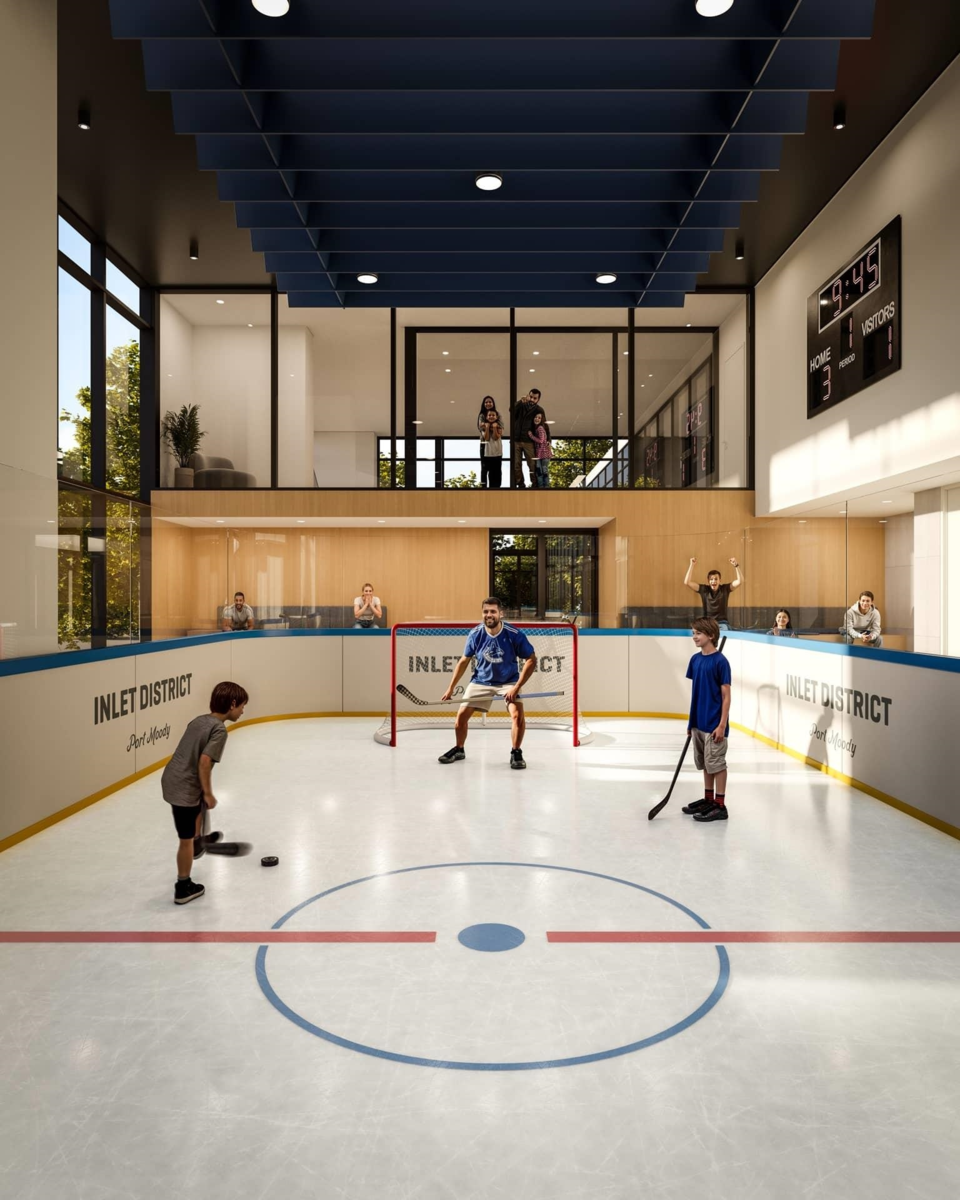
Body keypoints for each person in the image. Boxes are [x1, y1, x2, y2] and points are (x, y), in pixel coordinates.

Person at [161, 680, 249, 905]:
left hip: (172, 778)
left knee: (196, 808)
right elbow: (204, 762)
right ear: (232, 704)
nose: (242, 712)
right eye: (241, 707)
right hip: (183, 786)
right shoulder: (219, 730)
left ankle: (198, 840)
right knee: (185, 840)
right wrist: (208, 793)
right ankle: (183, 886)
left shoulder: (199, 720)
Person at [437, 597, 537, 770]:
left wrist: (516, 687)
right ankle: (459, 749)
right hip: (481, 681)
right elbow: (464, 661)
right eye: (485, 611)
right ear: (482, 613)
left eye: (492, 611)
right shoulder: (475, 634)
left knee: (517, 716)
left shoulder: (514, 634)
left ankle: (516, 752)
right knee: (460, 718)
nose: (489, 615)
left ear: (500, 613)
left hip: (508, 682)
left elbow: (531, 659)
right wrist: (450, 687)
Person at [680, 618, 732, 823]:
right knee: (705, 764)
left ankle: (720, 805)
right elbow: (696, 694)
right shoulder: (695, 660)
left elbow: (726, 696)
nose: (694, 637)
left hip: (713, 725)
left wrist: (721, 725)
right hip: (698, 723)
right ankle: (709, 798)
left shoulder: (721, 662)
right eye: (693, 633)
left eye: (698, 633)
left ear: (711, 635)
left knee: (717, 764)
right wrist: (690, 723)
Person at [683, 557, 743, 629]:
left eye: (716, 579)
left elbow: (740, 581)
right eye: (711, 579)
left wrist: (736, 565)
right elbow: (687, 582)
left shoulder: (725, 589)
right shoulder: (704, 590)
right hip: (708, 623)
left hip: (722, 623)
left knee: (724, 631)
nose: (713, 581)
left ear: (720, 580)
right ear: (708, 581)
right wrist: (691, 565)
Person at [512, 388, 545, 488]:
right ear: (528, 395)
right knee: (516, 465)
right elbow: (511, 411)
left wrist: (548, 440)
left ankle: (534, 485)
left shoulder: (539, 410)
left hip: (529, 441)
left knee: (532, 464)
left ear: (538, 399)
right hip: (516, 440)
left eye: (535, 398)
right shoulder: (521, 405)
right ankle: (520, 484)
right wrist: (519, 402)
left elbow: (543, 425)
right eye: (531, 397)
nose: (532, 399)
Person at [480, 407, 504, 489]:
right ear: (486, 417)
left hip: (497, 453)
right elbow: (486, 438)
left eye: (493, 415)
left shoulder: (499, 427)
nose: (491, 416)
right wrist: (487, 428)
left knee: (497, 474)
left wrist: (494, 428)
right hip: (488, 454)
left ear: (496, 417)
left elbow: (495, 437)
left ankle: (496, 489)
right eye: (489, 415)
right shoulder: (483, 427)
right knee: (488, 473)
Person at [530, 410, 552, 489]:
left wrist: (531, 436)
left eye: (539, 418)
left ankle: (545, 487)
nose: (537, 419)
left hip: (544, 454)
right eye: (535, 417)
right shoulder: (537, 428)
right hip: (540, 454)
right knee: (539, 471)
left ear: (541, 419)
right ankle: (541, 487)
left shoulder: (540, 428)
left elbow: (541, 440)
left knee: (543, 470)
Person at [477, 395, 497, 478]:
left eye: (490, 402)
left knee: (494, 468)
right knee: (484, 467)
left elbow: (500, 426)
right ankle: (483, 488)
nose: (488, 403)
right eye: (486, 402)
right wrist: (491, 426)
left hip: (494, 444)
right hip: (484, 443)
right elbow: (481, 426)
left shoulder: (497, 414)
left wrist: (488, 425)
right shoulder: (481, 415)